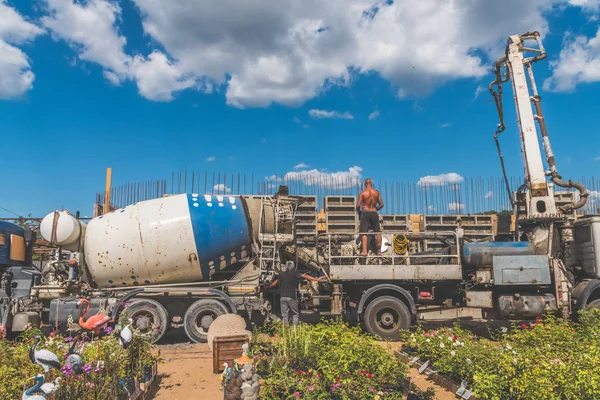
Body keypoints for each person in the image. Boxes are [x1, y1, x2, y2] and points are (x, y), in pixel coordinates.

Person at [267, 261, 326, 326]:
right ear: (293, 267)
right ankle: (294, 329)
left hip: (283, 297)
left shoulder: (281, 274)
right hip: (291, 297)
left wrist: (268, 286)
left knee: (284, 315)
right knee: (295, 314)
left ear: (286, 267)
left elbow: (275, 283)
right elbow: (305, 276)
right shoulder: (295, 273)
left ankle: (286, 329)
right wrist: (315, 279)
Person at [356, 178, 384, 256]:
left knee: (364, 232)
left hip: (365, 212)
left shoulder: (363, 193)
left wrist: (359, 213)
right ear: (371, 183)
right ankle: (379, 252)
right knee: (378, 232)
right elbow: (382, 204)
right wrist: (375, 209)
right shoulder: (376, 193)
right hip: (374, 212)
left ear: (365, 184)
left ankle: (364, 251)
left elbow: (358, 205)